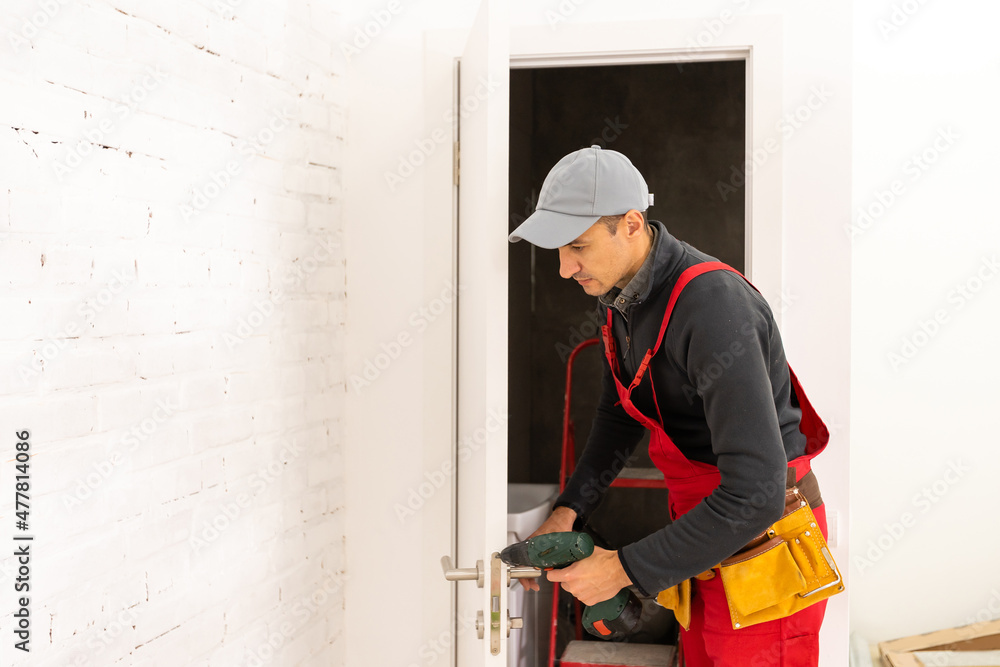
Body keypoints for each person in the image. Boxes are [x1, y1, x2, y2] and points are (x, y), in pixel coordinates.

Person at [508, 146, 832, 666]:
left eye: (578, 246)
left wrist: (621, 569)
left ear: (631, 224)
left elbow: (757, 494)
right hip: (703, 537)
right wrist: (568, 512)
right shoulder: (622, 298)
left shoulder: (714, 306)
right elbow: (619, 415)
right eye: (559, 250)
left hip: (763, 545)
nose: (566, 269)